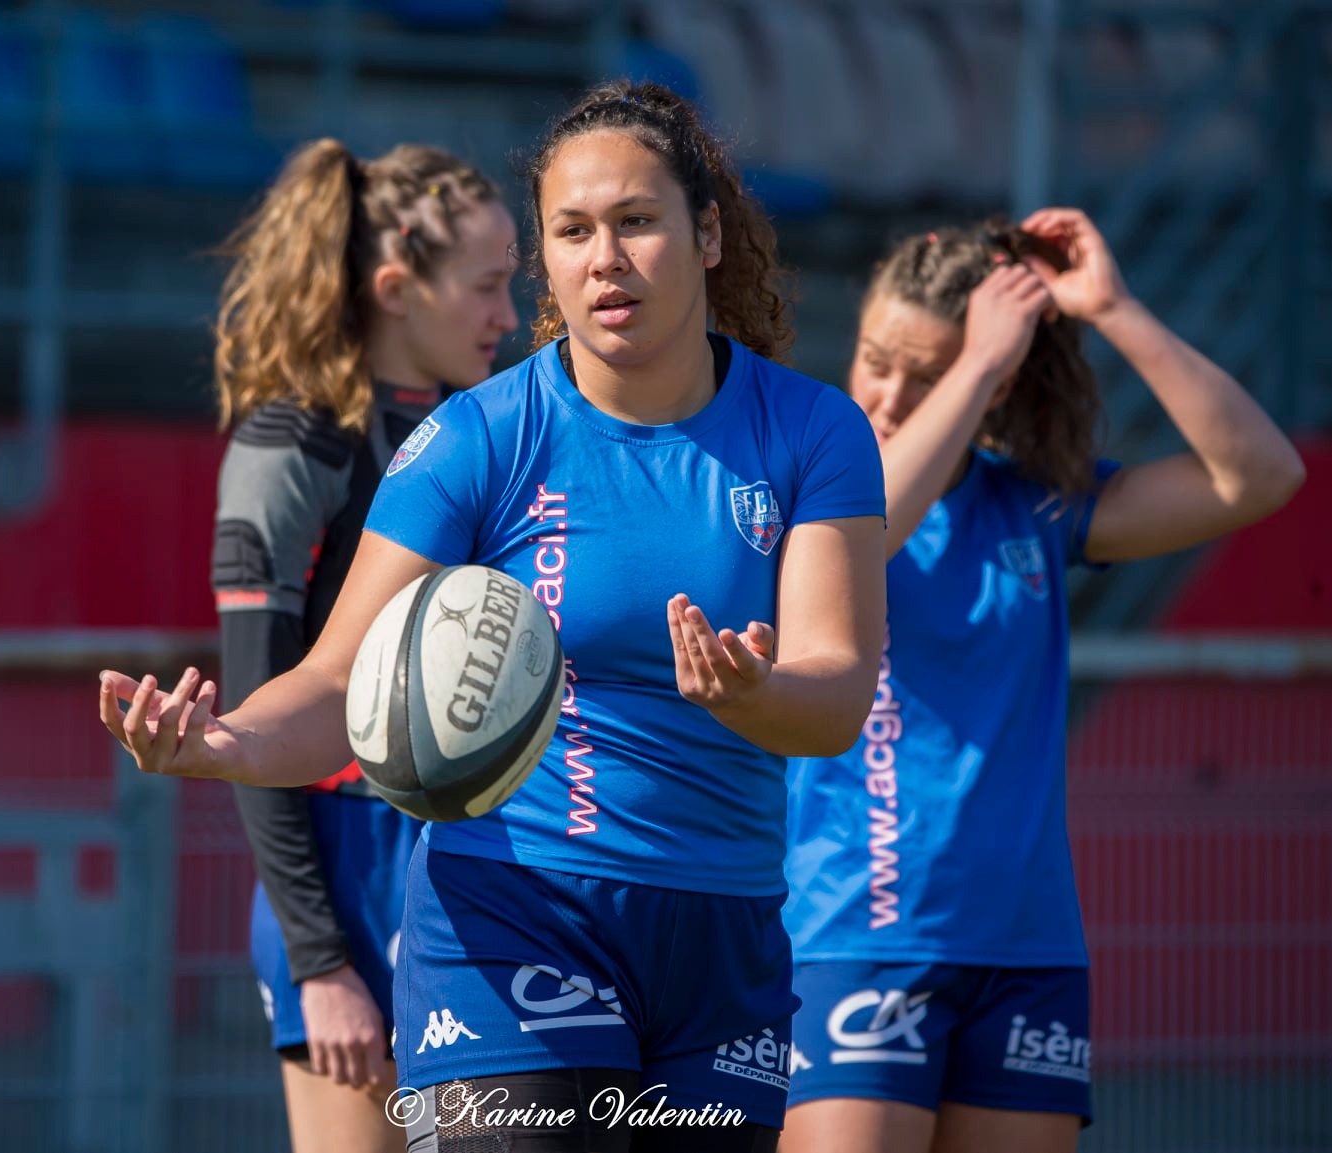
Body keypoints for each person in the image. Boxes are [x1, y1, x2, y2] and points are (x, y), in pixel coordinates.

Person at [100, 80, 888, 1152]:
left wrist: (757, 694)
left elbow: (837, 696)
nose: (603, 257)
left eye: (636, 222)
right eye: (571, 232)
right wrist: (221, 743)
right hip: (511, 917)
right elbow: (339, 683)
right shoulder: (478, 437)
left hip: (721, 938)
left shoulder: (815, 434)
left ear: (707, 235)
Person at [780, 210, 1307, 1153]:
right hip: (855, 939)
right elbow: (867, 526)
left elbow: (1259, 475)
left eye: (929, 373)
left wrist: (1116, 308)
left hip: (1030, 958)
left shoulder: (1032, 506)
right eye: (875, 359)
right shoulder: (818, 489)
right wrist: (977, 363)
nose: (889, 395)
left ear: (995, 387)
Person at [209, 138, 519, 1153]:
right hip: (345, 873)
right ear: (396, 288)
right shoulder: (291, 447)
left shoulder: (490, 433)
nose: (507, 317)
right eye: (485, 287)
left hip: (475, 862)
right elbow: (260, 720)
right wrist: (319, 961)